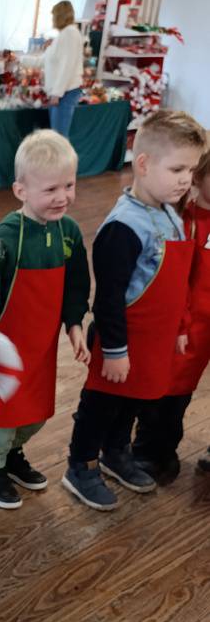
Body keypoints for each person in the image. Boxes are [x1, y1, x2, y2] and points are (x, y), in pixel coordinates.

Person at [62, 110, 206, 509]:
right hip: (121, 341)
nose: (186, 179)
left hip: (153, 341)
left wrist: (180, 327)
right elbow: (108, 299)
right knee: (101, 406)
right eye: (177, 169)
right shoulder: (123, 227)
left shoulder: (170, 213)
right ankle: (81, 465)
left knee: (134, 402)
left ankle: (115, 452)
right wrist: (115, 351)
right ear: (143, 164)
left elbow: (177, 284)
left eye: (191, 170)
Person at [0, 130, 91, 509]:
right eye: (51, 189)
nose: (62, 197)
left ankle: (13, 455)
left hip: (43, 347)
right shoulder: (4, 239)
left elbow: (76, 285)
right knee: (3, 413)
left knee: (36, 411)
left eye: (69, 185)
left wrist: (75, 324)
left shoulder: (69, 232)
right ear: (21, 190)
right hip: (5, 348)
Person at [131, 142, 210, 481]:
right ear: (200, 177)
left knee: (180, 394)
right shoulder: (183, 221)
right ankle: (150, 452)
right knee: (166, 393)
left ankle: (164, 449)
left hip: (204, 330)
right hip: (184, 327)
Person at [42, 0, 84, 139]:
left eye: (53, 16)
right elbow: (46, 60)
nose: (52, 19)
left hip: (64, 93)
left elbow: (67, 66)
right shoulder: (64, 34)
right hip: (62, 93)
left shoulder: (69, 33)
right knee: (57, 136)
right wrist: (20, 60)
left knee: (59, 138)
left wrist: (57, 93)